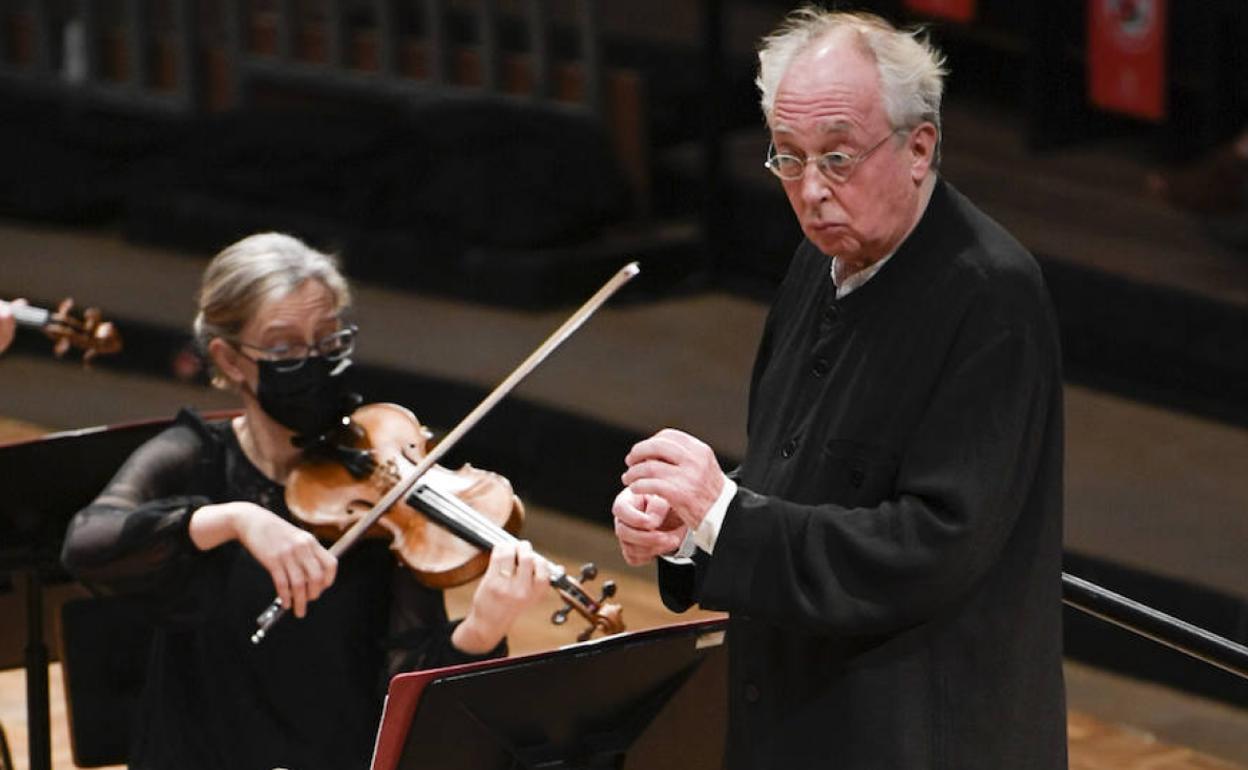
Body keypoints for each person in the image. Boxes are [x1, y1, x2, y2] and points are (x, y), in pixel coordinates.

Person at [612, 8, 1066, 770]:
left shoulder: (992, 298)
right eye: (787, 158)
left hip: (917, 738)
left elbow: (932, 546)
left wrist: (728, 513)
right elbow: (792, 475)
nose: (811, 190)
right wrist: (688, 526)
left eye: (837, 158)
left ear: (919, 148)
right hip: (796, 717)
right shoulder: (816, 263)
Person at [61, 233, 548, 770]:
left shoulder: (384, 492)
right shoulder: (194, 459)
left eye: (329, 341)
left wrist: (480, 630)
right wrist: (233, 519)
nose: (314, 362)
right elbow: (88, 542)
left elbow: (406, 689)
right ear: (230, 358)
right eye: (286, 348)